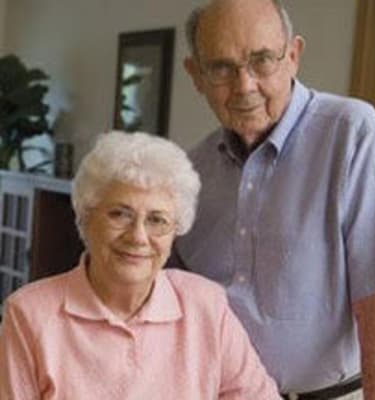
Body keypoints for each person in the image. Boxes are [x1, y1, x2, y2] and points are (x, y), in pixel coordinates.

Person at [167, 0, 375, 398]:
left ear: (293, 56)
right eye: (221, 67)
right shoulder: (188, 172)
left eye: (262, 60)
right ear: (196, 75)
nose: (244, 85)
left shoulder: (351, 134)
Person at [0, 131, 282, 400]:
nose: (138, 237)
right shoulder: (30, 314)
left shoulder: (207, 306)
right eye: (120, 215)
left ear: (176, 229)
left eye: (157, 220)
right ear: (86, 217)